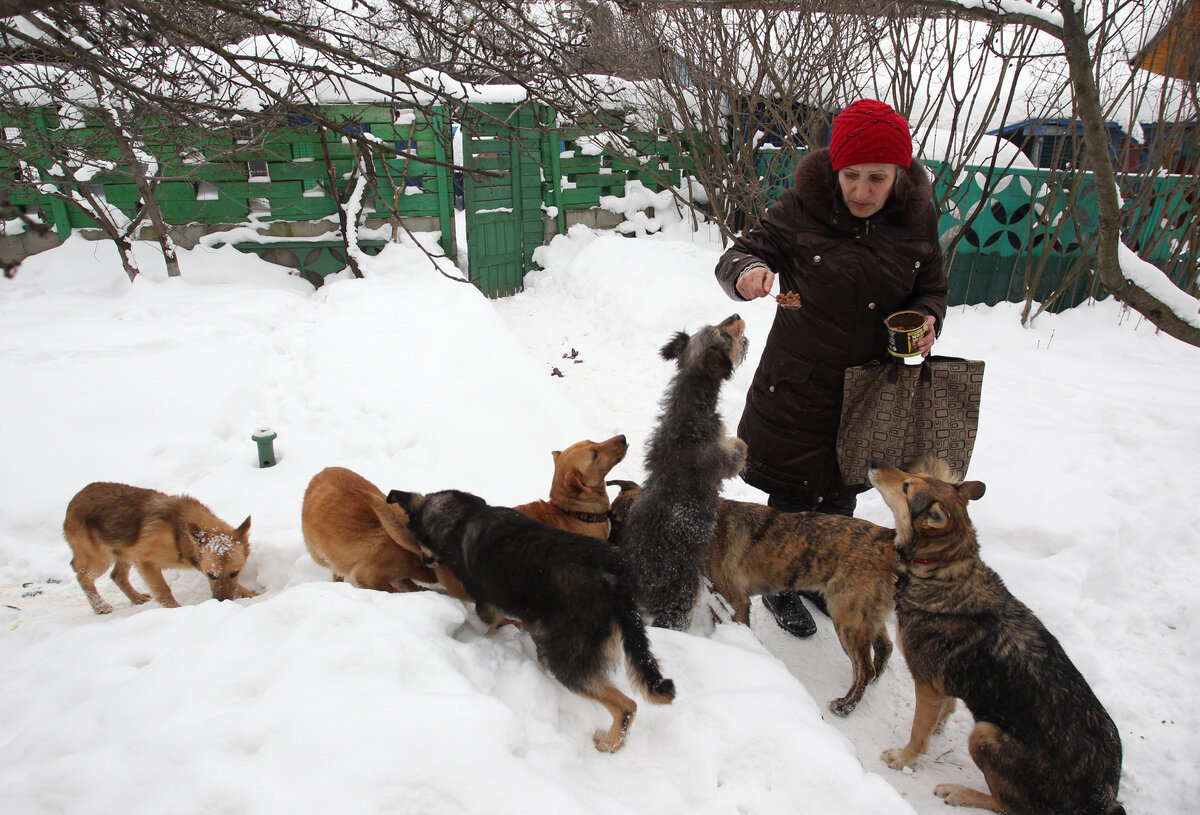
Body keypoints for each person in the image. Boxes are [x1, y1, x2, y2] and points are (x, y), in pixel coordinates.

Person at [714, 99, 948, 638]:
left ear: (900, 174)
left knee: (843, 493)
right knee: (794, 497)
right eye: (851, 176)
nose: (862, 191)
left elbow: (931, 286)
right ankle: (780, 585)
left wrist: (930, 319)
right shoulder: (801, 209)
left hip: (871, 387)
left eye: (877, 177)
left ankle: (823, 578)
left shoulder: (918, 217)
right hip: (800, 383)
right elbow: (741, 253)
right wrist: (749, 271)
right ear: (834, 170)